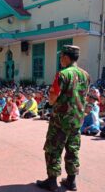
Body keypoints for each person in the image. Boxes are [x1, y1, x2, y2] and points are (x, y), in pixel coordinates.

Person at [36, 45, 90, 191]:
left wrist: (50, 103)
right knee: (73, 149)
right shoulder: (85, 75)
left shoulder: (63, 74)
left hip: (61, 119)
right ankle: (71, 181)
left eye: (61, 57)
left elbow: (53, 96)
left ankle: (52, 181)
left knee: (53, 148)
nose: (60, 60)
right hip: (77, 119)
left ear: (66, 57)